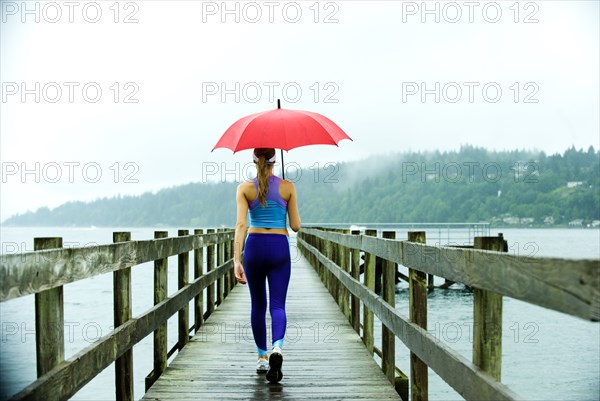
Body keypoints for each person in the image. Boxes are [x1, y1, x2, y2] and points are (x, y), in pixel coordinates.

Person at [233, 147, 301, 383]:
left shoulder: (244, 188)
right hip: (279, 247)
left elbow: (241, 226)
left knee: (257, 304)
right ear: (274, 161)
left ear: (254, 161)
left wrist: (236, 260)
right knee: (278, 305)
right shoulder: (287, 187)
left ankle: (262, 357)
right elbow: (296, 226)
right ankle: (277, 348)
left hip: (254, 246)